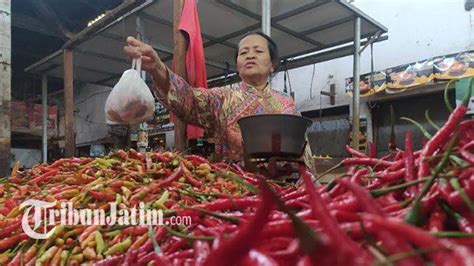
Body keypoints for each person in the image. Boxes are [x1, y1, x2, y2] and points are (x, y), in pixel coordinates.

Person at [124, 32, 315, 173]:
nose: (250, 55)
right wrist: (158, 68)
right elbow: (188, 99)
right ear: (238, 65)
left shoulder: (286, 102)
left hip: (285, 191)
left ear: (272, 63)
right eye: (243, 53)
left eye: (258, 51)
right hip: (235, 191)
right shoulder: (223, 98)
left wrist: (311, 186)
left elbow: (303, 148)